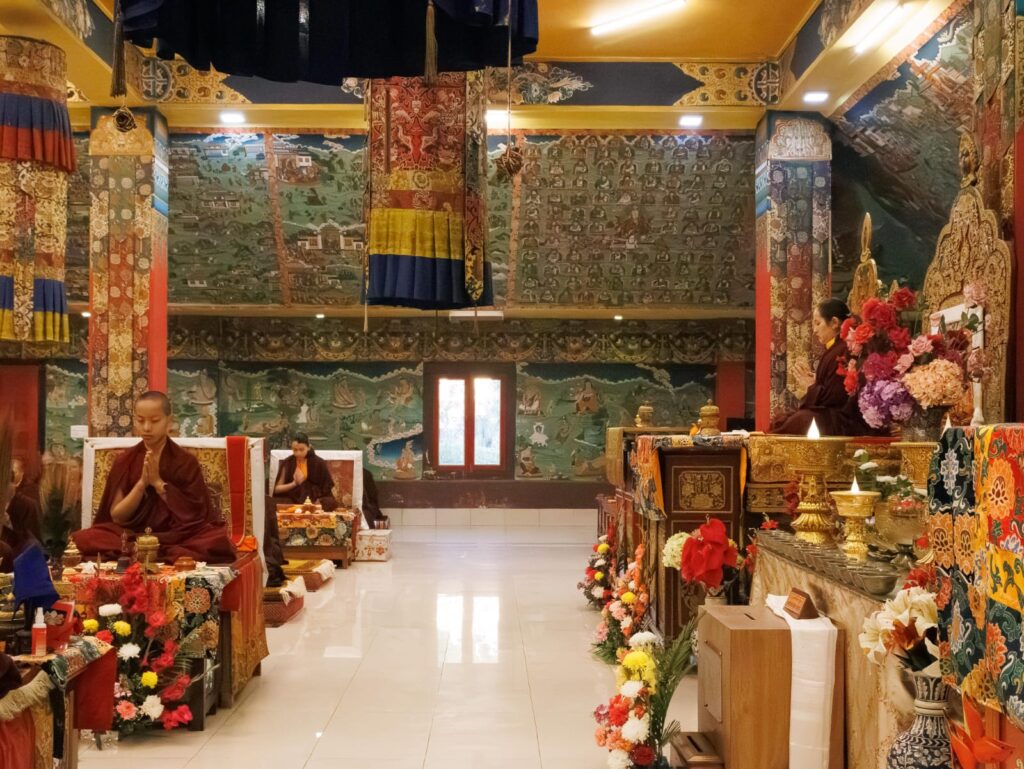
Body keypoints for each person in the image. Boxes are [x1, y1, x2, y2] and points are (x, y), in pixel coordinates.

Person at [72, 392, 237, 563]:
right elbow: (117, 516)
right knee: (84, 539)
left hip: (177, 536)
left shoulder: (185, 461)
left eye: (155, 420)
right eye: (140, 420)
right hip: (133, 535)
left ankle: (145, 552)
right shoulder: (125, 460)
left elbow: (194, 516)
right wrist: (142, 484)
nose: (147, 427)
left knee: (214, 541)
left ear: (169, 421)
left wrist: (158, 484)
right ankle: (149, 551)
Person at [772, 298, 873, 436]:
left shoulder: (845, 350)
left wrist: (811, 386)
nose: (814, 330)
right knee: (784, 419)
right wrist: (816, 382)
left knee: (800, 420)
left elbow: (836, 398)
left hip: (844, 420)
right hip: (832, 415)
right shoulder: (836, 348)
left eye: (818, 323)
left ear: (834, 323)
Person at [272, 433, 337, 511]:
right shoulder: (288, 462)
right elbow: (277, 489)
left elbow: (326, 489)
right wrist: (294, 483)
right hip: (292, 498)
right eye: (295, 450)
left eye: (301, 449)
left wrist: (318, 499)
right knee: (275, 503)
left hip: (314, 499)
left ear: (308, 447)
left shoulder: (319, 463)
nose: (298, 453)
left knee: (330, 502)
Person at [1, 458, 41, 559]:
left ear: (15, 483)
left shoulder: (27, 505)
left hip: (20, 560)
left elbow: (33, 545)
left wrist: (8, 524)